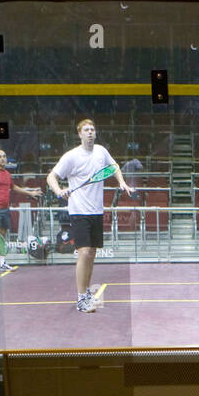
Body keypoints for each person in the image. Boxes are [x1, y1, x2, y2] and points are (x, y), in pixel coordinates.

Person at [47, 119, 134, 312]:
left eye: (92, 129)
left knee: (92, 254)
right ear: (79, 134)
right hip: (78, 211)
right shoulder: (71, 156)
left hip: (96, 211)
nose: (90, 132)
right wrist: (59, 190)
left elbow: (114, 166)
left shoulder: (101, 151)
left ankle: (86, 292)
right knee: (84, 252)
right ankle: (80, 299)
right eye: (86, 130)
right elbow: (51, 176)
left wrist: (121, 182)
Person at [0, 149, 41, 274]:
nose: (2, 159)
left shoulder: (7, 174)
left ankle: (2, 263)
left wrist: (30, 193)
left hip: (5, 208)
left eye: (4, 156)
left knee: (2, 236)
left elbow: (13, 187)